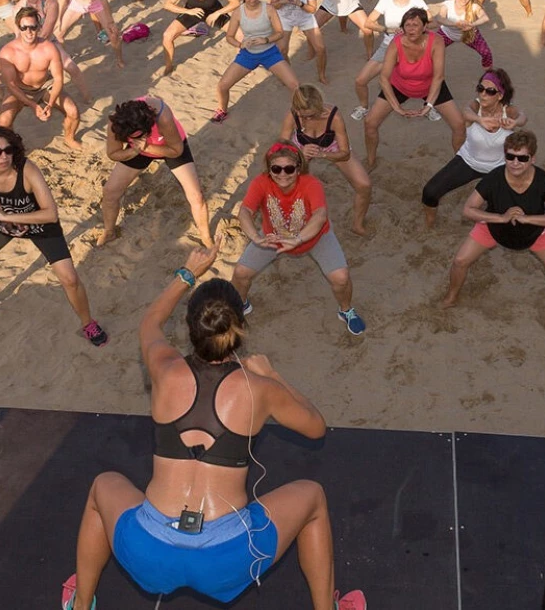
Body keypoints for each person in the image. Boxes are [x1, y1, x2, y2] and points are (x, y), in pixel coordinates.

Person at [62, 236, 366, 610]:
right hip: (226, 561)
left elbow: (150, 323)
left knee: (102, 486)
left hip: (149, 553)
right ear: (239, 326)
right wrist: (274, 375)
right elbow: (316, 427)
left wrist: (188, 272)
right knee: (313, 497)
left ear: (191, 328)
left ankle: (81, 605)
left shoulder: (164, 368)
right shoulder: (259, 389)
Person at [0, 125, 108, 344]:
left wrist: (7, 216)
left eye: (8, 150)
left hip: (39, 224)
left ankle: (88, 324)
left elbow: (50, 213)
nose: (4, 157)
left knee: (70, 279)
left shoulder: (27, 169)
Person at [441, 129, 545, 323]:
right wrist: (501, 217)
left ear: (532, 159)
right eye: (510, 157)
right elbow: (468, 210)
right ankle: (451, 297)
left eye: (522, 158)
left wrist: (528, 219)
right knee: (460, 261)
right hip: (494, 228)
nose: (515, 163)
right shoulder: (494, 178)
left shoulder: (543, 180)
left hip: (535, 232)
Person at [232, 141, 366, 335]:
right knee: (240, 273)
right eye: (276, 169)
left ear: (298, 168)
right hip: (272, 237)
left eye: (289, 169)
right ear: (269, 169)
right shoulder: (260, 183)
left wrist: (298, 239)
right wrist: (255, 237)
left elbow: (320, 216)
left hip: (315, 237)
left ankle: (346, 310)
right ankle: (242, 305)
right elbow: (244, 211)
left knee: (341, 278)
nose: (282, 174)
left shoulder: (311, 184)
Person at [97, 97, 212, 247]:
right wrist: (135, 150)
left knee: (196, 196)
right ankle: (109, 232)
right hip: (137, 150)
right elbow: (113, 153)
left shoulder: (162, 116)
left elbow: (176, 151)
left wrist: (146, 147)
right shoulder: (116, 122)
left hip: (169, 147)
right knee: (110, 191)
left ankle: (206, 237)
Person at [423, 69, 526, 227]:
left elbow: (523, 117)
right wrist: (480, 119)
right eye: (480, 88)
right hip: (468, 161)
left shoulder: (508, 110)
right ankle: (429, 225)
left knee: (512, 211)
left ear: (500, 95)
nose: (483, 94)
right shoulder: (475, 106)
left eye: (490, 91)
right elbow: (465, 113)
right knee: (430, 192)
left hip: (498, 169)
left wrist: (515, 122)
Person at [364, 7, 464, 170]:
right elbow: (383, 77)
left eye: (415, 25)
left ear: (425, 27)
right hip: (400, 85)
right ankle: (371, 161)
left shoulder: (436, 41)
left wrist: (429, 106)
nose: (411, 29)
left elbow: (439, 77)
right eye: (407, 25)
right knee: (370, 122)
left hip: (430, 85)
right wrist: (396, 106)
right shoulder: (396, 43)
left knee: (459, 125)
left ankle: (459, 165)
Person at [0, 0, 90, 104]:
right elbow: (17, 34)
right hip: (24, 44)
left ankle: (87, 97)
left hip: (47, 43)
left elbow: (46, 32)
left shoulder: (50, 3)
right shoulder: (18, 7)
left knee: (72, 68)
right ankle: (4, 95)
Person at [280, 85, 372, 235]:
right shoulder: (293, 114)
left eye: (311, 115)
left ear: (319, 107)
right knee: (284, 183)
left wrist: (322, 154)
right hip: (301, 148)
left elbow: (344, 153)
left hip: (330, 147)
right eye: (303, 116)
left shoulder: (333, 116)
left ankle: (358, 224)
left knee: (364, 185)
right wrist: (299, 154)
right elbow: (281, 146)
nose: (307, 119)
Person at [215, 0, 299, 123]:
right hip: (248, 55)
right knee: (222, 85)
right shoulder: (238, 12)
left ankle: (298, 112)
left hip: (270, 53)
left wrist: (266, 40)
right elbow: (229, 36)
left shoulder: (269, 9)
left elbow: (280, 32)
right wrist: (240, 44)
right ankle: (222, 110)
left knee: (295, 85)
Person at [0, 7, 81, 150]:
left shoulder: (49, 48)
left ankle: (69, 138)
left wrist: (50, 103)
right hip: (19, 89)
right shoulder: (8, 51)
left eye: (33, 27)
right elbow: (11, 85)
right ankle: (12, 148)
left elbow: (58, 79)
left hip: (44, 86)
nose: (29, 32)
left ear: (39, 26)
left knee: (73, 111)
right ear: (18, 27)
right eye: (24, 27)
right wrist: (33, 105)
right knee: (4, 121)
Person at [352, 0, 428, 119]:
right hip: (388, 46)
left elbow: (431, 22)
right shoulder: (386, 0)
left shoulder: (417, 1)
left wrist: (412, 31)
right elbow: (369, 22)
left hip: (412, 48)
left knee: (426, 78)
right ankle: (363, 107)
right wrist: (387, 29)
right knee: (360, 80)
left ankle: (430, 106)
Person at [162, 0, 238, 76]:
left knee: (241, 37)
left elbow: (235, 2)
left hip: (213, 12)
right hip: (193, 12)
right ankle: (169, 66)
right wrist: (187, 11)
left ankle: (243, 65)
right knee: (167, 35)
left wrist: (218, 13)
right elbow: (167, 4)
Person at [270, 0, 327, 84]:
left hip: (305, 17)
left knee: (321, 48)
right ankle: (289, 74)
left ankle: (321, 75)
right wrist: (283, 1)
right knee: (282, 49)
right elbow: (273, 5)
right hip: (285, 18)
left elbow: (312, 9)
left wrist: (299, 3)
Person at [435, 0, 493, 68]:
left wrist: (472, 25)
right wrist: (455, 24)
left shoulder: (474, 6)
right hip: (447, 34)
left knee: (486, 54)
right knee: (430, 51)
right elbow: (440, 18)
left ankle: (489, 77)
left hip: (470, 34)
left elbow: (485, 17)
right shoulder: (447, 5)